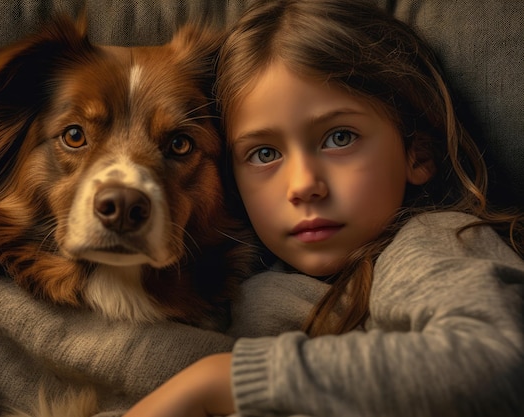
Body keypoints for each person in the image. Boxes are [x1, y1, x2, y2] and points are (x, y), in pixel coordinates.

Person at [123, 0, 524, 416]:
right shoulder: (241, 277)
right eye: (263, 154)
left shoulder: (433, 241)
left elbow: (498, 363)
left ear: (418, 153)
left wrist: (219, 381)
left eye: (339, 138)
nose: (302, 186)